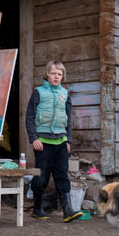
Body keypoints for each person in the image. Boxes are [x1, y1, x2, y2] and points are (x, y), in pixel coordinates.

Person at [26, 60, 83, 222]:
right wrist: (34, 138)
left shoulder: (65, 94)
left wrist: (68, 139)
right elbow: (29, 117)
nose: (56, 77)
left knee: (62, 175)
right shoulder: (38, 92)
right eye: (53, 73)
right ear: (47, 74)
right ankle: (37, 208)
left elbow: (68, 119)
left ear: (63, 76)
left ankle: (68, 210)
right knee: (41, 177)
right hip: (42, 142)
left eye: (59, 74)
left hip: (61, 141)